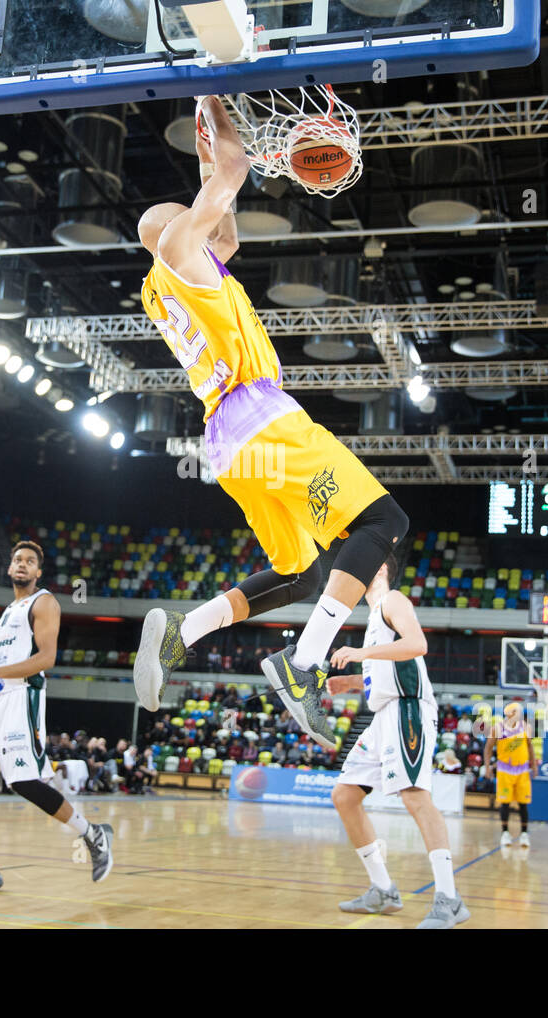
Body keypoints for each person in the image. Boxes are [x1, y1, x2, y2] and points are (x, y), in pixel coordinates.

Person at [130, 95, 409, 751]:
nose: (210, 221)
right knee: (383, 521)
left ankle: (182, 630)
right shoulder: (177, 246)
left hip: (228, 445)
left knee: (301, 573)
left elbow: (225, 226)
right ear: (175, 227)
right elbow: (226, 180)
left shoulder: (172, 276)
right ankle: (302, 665)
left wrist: (207, 152)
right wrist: (220, 110)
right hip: (262, 421)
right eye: (193, 213)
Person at [0, 541, 113, 892]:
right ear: (9, 569)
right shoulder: (8, 611)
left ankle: (92, 834)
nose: (22, 564)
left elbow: (47, 658)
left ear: (38, 572)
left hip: (23, 696)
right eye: (17, 559)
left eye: (30, 561)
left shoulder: (45, 602)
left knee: (22, 782)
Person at [326, 553, 470, 929]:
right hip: (382, 717)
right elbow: (391, 667)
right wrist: (354, 681)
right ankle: (383, 889)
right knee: (344, 796)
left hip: (408, 711)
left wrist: (360, 655)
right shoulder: (374, 620)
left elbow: (417, 644)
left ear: (379, 568)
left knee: (415, 796)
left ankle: (450, 899)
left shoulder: (393, 601)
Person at [483, 701, 537, 848]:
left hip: (522, 771)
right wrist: (487, 767)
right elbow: (488, 748)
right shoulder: (497, 728)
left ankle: (524, 834)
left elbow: (530, 747)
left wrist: (534, 765)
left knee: (523, 804)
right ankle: (505, 833)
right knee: (505, 803)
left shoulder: (526, 727)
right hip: (505, 771)